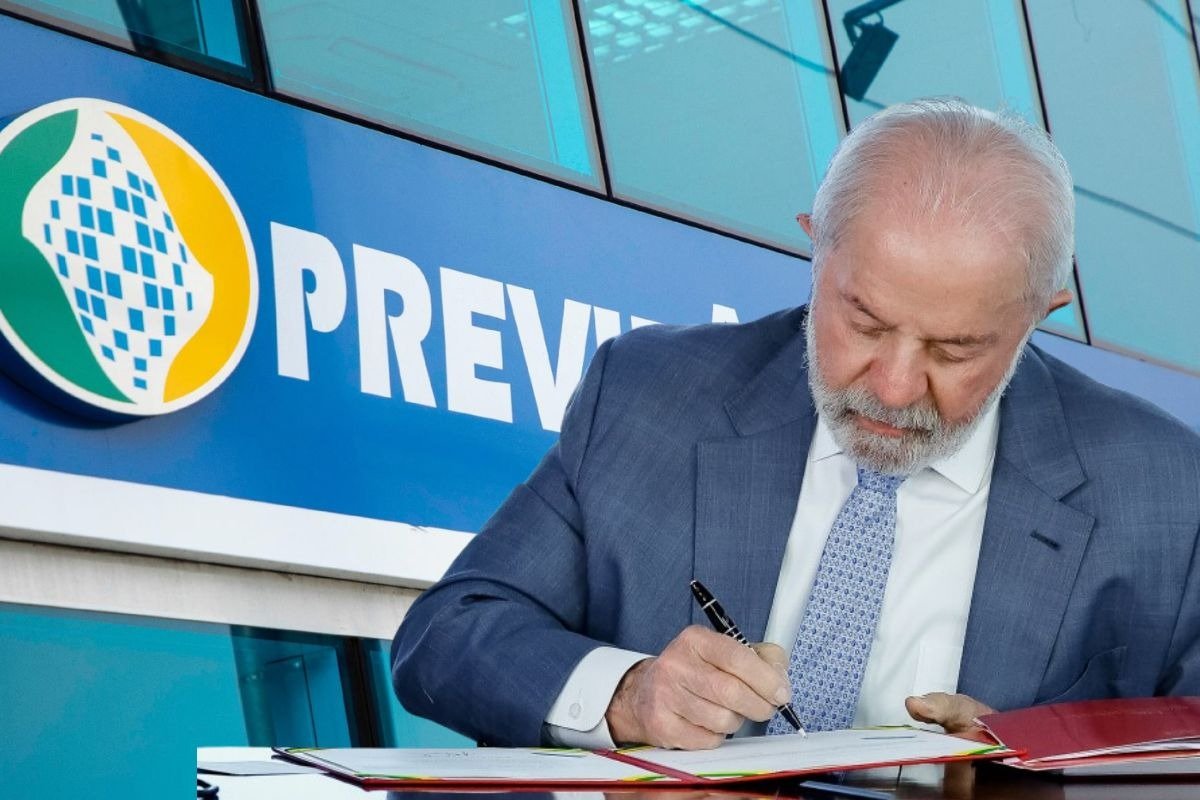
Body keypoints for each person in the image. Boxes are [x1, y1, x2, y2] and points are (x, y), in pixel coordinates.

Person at [392, 98, 1200, 750]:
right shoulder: (648, 396)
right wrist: (630, 697)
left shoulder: (1166, 492)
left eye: (955, 349)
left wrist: (1034, 758)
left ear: (1039, 314)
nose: (894, 387)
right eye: (865, 322)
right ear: (816, 248)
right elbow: (448, 636)